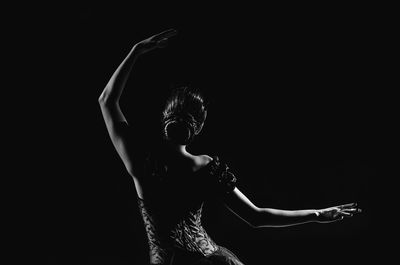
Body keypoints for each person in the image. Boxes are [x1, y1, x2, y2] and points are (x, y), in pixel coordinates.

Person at [98, 29, 361, 265]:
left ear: (164, 119)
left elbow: (107, 100)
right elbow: (257, 217)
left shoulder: (140, 159)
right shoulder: (206, 167)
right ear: (198, 127)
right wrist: (317, 213)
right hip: (212, 259)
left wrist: (136, 50)